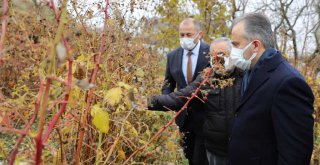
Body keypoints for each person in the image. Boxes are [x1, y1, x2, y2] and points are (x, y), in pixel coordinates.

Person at [228, 13, 314, 165]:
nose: (231, 51)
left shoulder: (288, 83)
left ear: (255, 45)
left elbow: (295, 155)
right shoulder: (250, 72)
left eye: (235, 44)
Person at [148, 37, 243, 165]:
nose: (216, 59)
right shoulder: (206, 78)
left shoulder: (245, 75)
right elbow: (179, 97)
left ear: (233, 55)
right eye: (212, 55)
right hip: (216, 149)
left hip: (242, 148)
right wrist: (149, 102)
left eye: (221, 54)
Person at [161, 18, 210, 164]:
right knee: (189, 156)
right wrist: (168, 100)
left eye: (189, 35)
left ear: (199, 34)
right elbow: (168, 84)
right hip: (184, 120)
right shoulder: (172, 56)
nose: (184, 38)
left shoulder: (210, 53)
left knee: (200, 159)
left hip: (206, 117)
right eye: (182, 35)